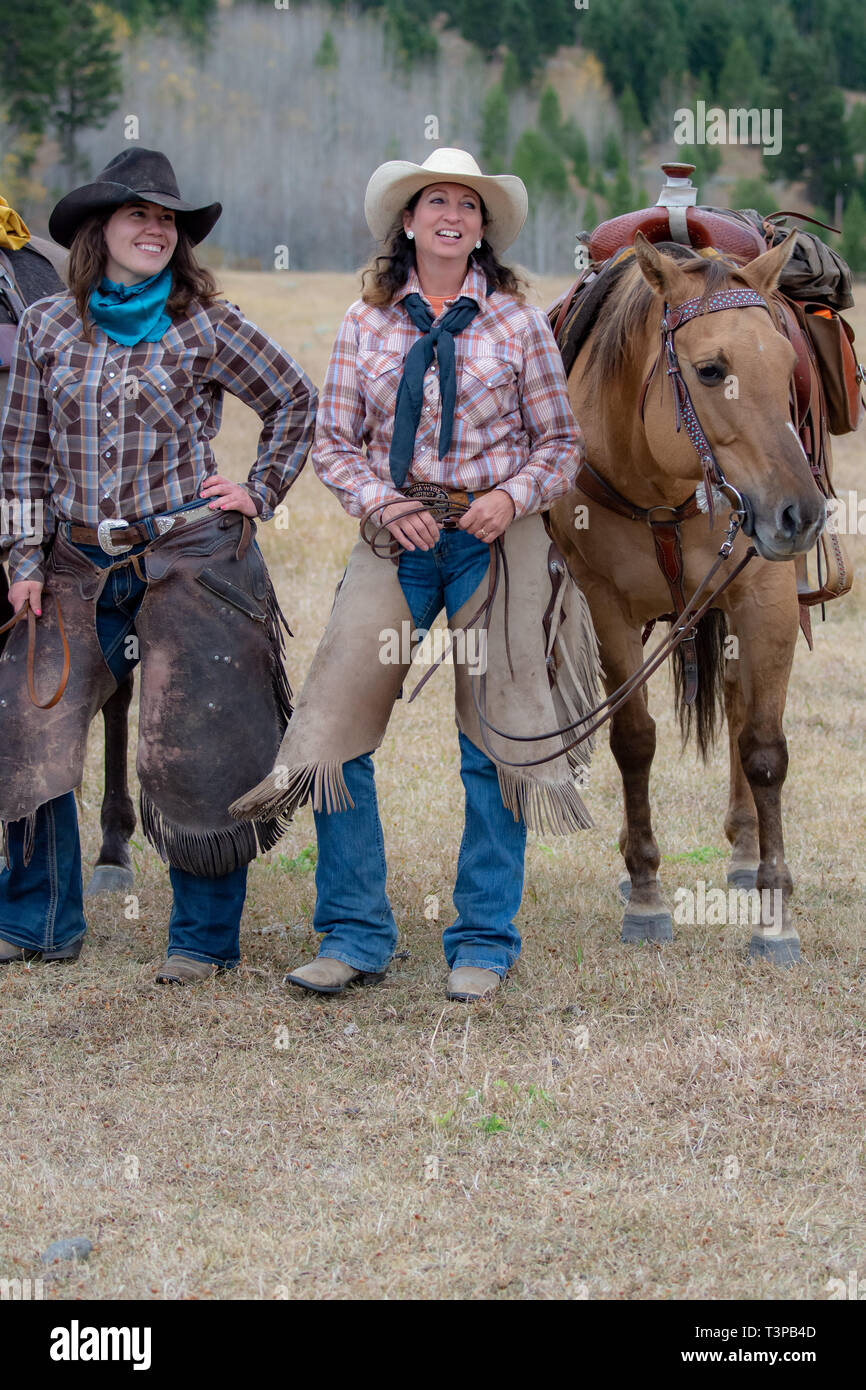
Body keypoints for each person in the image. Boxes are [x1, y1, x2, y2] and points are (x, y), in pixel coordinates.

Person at [234, 147, 596, 1002]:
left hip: (491, 536)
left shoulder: (517, 321)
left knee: (497, 736)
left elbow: (562, 445)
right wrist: (375, 502)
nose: (451, 216)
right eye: (436, 201)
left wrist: (511, 498)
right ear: (407, 221)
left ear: (481, 228)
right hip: (397, 536)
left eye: (467, 207)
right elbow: (335, 442)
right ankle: (355, 933)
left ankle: (482, 940)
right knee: (335, 733)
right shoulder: (366, 324)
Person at [0, 148, 316, 982]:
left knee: (197, 739)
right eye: (138, 214)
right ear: (98, 230)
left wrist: (259, 487)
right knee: (31, 729)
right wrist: (24, 556)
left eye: (166, 219)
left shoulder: (205, 323)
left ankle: (202, 941)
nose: (154, 228)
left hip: (185, 549)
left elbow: (293, 397)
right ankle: (37, 921)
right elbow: (22, 452)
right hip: (72, 558)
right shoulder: (47, 327)